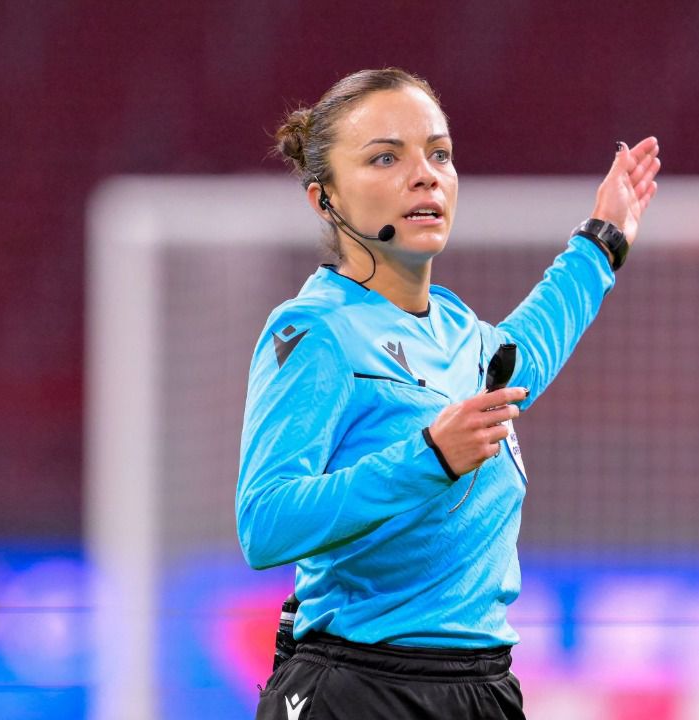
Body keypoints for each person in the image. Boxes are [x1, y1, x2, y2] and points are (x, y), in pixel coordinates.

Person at [236, 67, 660, 720]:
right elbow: (265, 523)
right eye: (385, 157)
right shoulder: (314, 330)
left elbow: (523, 359)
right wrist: (428, 457)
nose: (426, 174)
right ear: (325, 200)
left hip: (484, 686)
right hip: (362, 686)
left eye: (439, 153)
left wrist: (600, 245)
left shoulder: (457, 326)